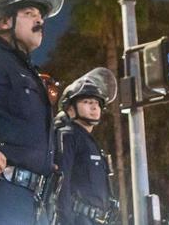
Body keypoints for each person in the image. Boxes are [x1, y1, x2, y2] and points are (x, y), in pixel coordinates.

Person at [0, 0, 65, 225]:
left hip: (32, 204)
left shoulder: (28, 71)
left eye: (41, 16)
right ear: (3, 21)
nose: (40, 21)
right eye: (29, 13)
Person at [54, 68, 119, 225]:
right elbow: (61, 184)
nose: (94, 107)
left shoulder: (90, 142)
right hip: (78, 220)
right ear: (70, 108)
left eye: (97, 103)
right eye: (87, 102)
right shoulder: (68, 136)